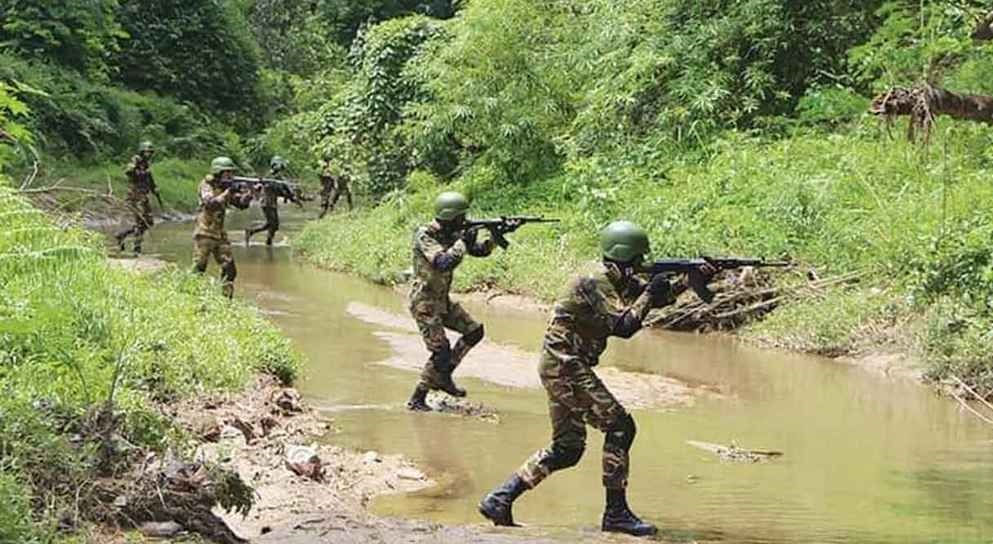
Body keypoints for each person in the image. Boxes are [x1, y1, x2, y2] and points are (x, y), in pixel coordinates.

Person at [477, 221, 716, 537]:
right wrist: (650, 291)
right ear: (625, 257)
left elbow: (651, 299)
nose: (642, 264)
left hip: (560, 363)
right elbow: (625, 326)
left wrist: (690, 280)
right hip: (565, 364)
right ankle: (616, 514)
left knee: (567, 449)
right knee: (620, 425)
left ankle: (501, 497)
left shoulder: (614, 278)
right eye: (638, 259)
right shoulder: (594, 281)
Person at [405, 192, 496, 411]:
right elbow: (443, 262)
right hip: (425, 302)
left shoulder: (453, 232)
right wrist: (462, 241)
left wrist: (494, 236)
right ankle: (417, 398)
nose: (464, 221)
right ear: (450, 217)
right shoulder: (425, 235)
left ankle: (444, 376)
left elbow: (479, 251)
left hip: (441, 300)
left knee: (474, 331)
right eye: (461, 217)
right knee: (441, 350)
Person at [192, 157, 253, 298]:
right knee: (199, 268)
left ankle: (226, 301)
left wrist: (249, 195)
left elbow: (240, 204)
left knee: (230, 269)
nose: (230, 176)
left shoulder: (225, 188)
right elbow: (210, 203)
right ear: (218, 172)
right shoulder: (206, 185)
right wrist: (226, 192)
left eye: (231, 173)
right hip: (204, 232)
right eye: (227, 173)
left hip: (220, 235)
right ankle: (192, 297)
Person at [114, 141, 162, 254]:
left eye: (150, 152)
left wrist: (154, 189)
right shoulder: (136, 160)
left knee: (148, 222)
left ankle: (122, 235)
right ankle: (137, 248)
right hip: (135, 197)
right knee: (140, 222)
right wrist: (136, 169)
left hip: (143, 196)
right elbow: (128, 172)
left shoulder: (146, 164)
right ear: (142, 151)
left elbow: (149, 180)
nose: (149, 154)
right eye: (146, 152)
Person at [245, 156, 301, 246]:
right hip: (267, 203)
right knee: (273, 224)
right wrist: (290, 195)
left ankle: (260, 237)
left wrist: (292, 197)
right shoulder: (270, 176)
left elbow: (284, 189)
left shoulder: (277, 177)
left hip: (271, 203)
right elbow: (279, 188)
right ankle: (261, 237)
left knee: (272, 224)